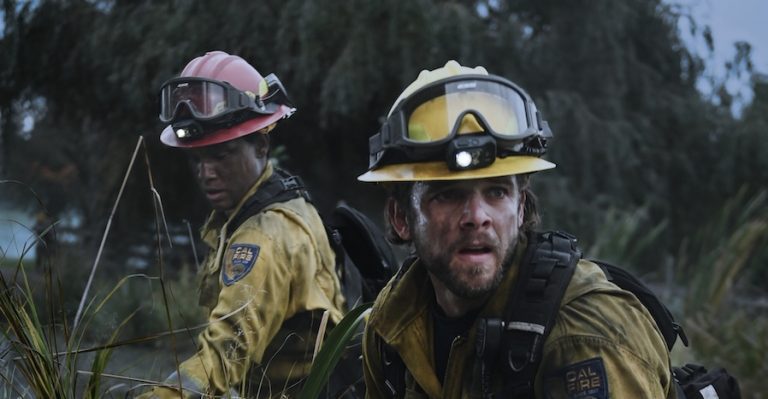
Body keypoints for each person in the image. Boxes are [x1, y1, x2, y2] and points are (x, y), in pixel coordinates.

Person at [358, 61, 676, 398]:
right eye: (448, 195)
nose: (477, 217)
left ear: (520, 207)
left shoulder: (584, 336)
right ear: (401, 218)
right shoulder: (392, 322)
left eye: (496, 192)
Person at [138, 51, 347, 398]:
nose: (207, 173)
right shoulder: (286, 200)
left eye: (221, 155)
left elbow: (225, 354)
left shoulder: (261, 238)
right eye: (198, 159)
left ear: (261, 146)